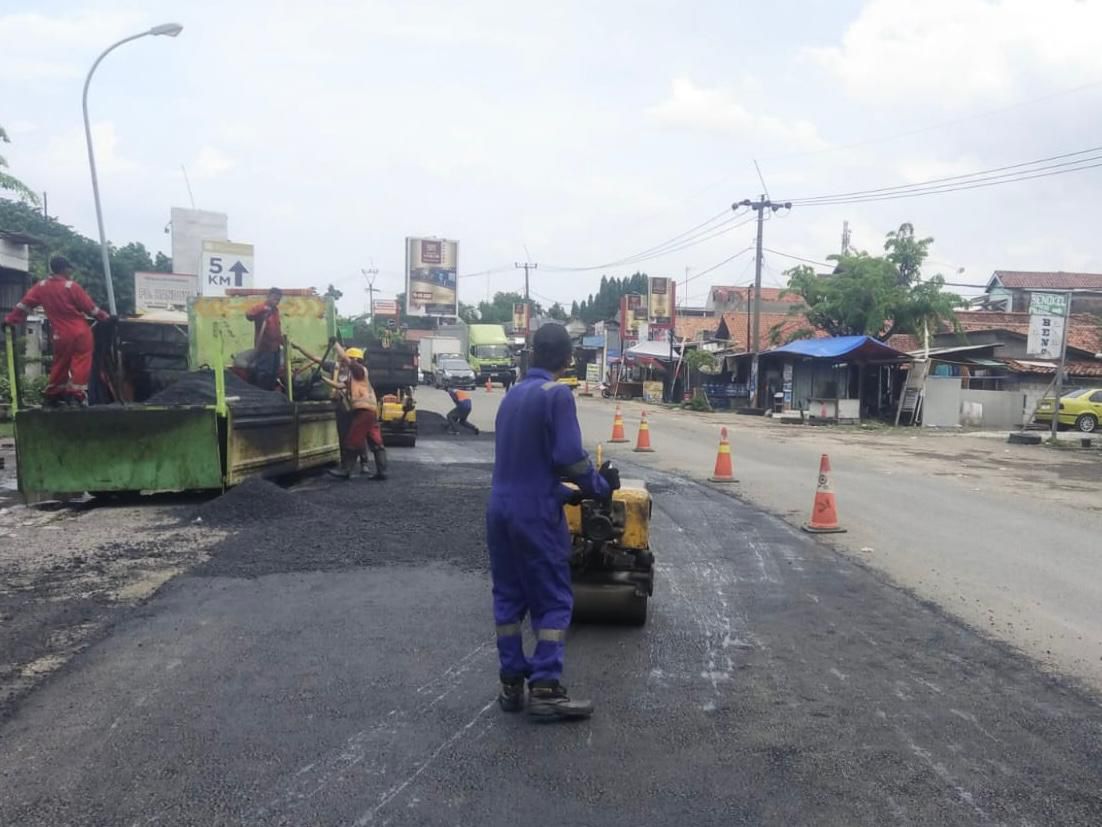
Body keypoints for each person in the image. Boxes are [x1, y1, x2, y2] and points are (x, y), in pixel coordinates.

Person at [486, 323, 620, 722]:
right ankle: (545, 689)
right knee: (554, 601)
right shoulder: (557, 394)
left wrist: (567, 493)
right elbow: (568, 459)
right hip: (535, 517)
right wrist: (598, 486)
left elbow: (525, 467)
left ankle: (511, 684)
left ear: (531, 354)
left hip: (500, 508)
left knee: (509, 598)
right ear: (567, 357)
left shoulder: (512, 397)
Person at [3, 255, 111, 407]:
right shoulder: (71, 287)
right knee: (81, 361)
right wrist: (106, 318)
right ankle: (76, 395)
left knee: (60, 363)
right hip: (80, 332)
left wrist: (10, 320)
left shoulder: (41, 287)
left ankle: (52, 394)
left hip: (60, 334)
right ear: (65, 269)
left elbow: (24, 305)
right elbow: (91, 309)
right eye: (69, 269)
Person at [326, 343, 388, 481]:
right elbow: (338, 385)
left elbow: (345, 358)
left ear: (354, 360)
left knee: (353, 439)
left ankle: (346, 470)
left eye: (348, 360)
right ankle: (382, 471)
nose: (344, 362)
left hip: (363, 412)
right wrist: (322, 379)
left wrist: (336, 344)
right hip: (371, 411)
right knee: (375, 440)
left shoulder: (359, 370)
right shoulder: (355, 377)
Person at [245, 287, 283, 390]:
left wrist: (282, 341)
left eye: (278, 299)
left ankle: (270, 393)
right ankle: (262, 394)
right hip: (265, 348)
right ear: (269, 296)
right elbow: (248, 315)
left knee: (274, 372)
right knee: (264, 372)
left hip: (275, 348)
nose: (276, 301)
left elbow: (276, 328)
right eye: (275, 298)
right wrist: (263, 309)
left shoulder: (276, 310)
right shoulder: (261, 307)